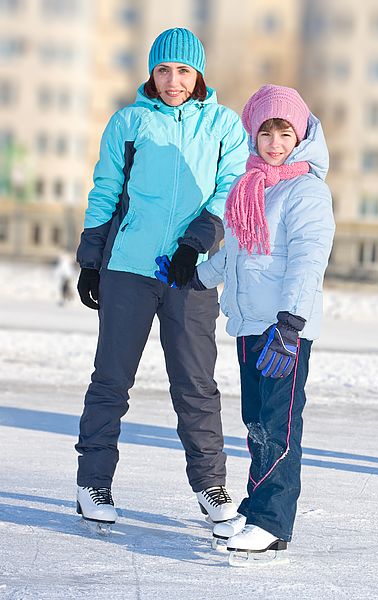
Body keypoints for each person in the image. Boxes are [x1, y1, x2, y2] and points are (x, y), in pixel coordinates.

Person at [75, 27, 248, 529]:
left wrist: (195, 244)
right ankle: (94, 483)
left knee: (196, 384)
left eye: (184, 71)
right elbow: (105, 189)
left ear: (199, 74)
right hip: (128, 268)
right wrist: (91, 260)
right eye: (164, 70)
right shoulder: (128, 121)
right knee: (111, 379)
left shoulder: (223, 126)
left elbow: (230, 190)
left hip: (191, 275)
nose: (174, 81)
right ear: (151, 72)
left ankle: (211, 488)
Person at [156, 84, 335, 558]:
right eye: (266, 132)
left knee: (279, 425)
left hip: (283, 329)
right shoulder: (249, 187)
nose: (275, 143)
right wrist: (195, 277)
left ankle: (272, 522)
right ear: (252, 135)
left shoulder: (307, 191)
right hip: (250, 326)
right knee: (256, 423)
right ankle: (257, 510)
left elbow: (307, 259)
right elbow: (235, 255)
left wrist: (291, 324)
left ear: (300, 137)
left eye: (285, 132)